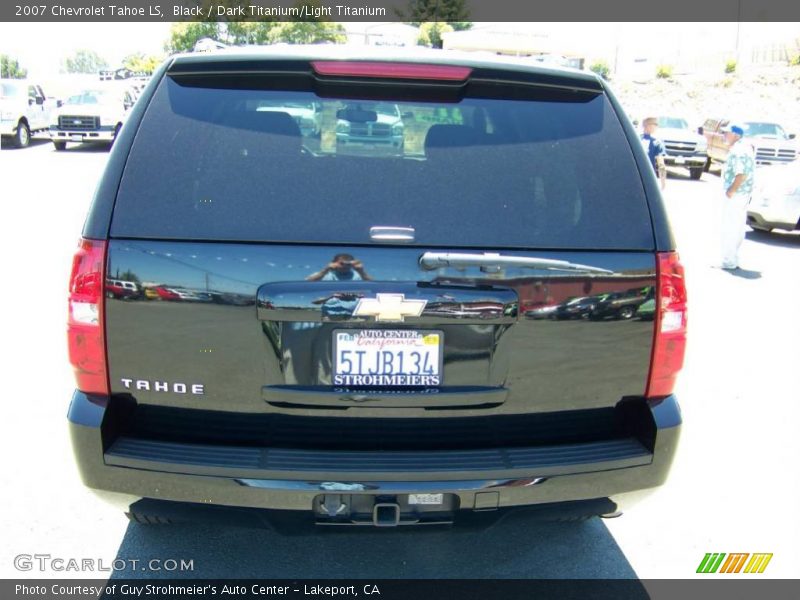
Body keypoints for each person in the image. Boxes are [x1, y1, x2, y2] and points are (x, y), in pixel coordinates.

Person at [719, 123, 755, 270]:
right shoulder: (745, 148)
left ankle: (729, 260)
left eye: (727, 133)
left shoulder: (738, 150)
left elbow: (741, 174)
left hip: (736, 194)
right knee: (738, 227)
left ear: (736, 135)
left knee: (731, 226)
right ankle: (733, 258)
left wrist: (731, 190)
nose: (724, 135)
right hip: (743, 194)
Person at [641, 117, 667, 190]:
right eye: (655, 124)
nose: (657, 127)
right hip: (649, 177)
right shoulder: (657, 142)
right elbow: (661, 164)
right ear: (648, 125)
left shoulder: (635, 139)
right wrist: (663, 183)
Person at [306, 253, 371, 282]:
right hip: (331, 309)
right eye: (342, 263)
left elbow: (373, 286)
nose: (345, 266)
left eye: (348, 264)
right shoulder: (325, 274)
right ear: (333, 262)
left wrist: (361, 271)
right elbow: (308, 282)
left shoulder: (358, 276)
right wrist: (326, 269)